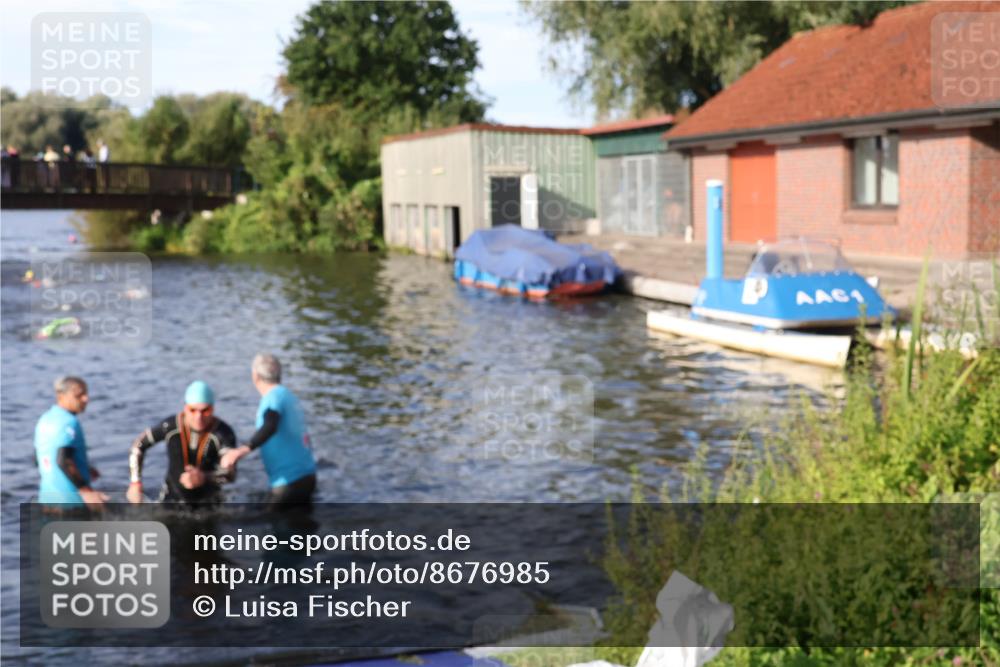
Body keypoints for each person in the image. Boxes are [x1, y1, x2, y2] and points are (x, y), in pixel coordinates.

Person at [222, 354, 317, 507]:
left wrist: (241, 450)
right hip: (307, 476)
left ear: (255, 376)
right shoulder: (289, 396)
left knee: (271, 524)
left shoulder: (272, 399)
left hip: (288, 481)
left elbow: (270, 425)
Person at [127, 381, 238, 506]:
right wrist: (135, 483)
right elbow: (138, 447)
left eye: (205, 411)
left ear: (213, 409)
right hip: (171, 499)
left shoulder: (223, 433)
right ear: (185, 408)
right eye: (193, 410)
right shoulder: (170, 426)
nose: (198, 417)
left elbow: (230, 474)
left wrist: (203, 477)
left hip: (209, 503)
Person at [34, 376, 106, 508]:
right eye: (79, 395)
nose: (86, 399)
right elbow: (63, 461)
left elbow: (38, 459)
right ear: (61, 396)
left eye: (86, 393)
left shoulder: (44, 419)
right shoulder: (68, 422)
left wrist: (84, 468)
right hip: (70, 503)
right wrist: (86, 491)